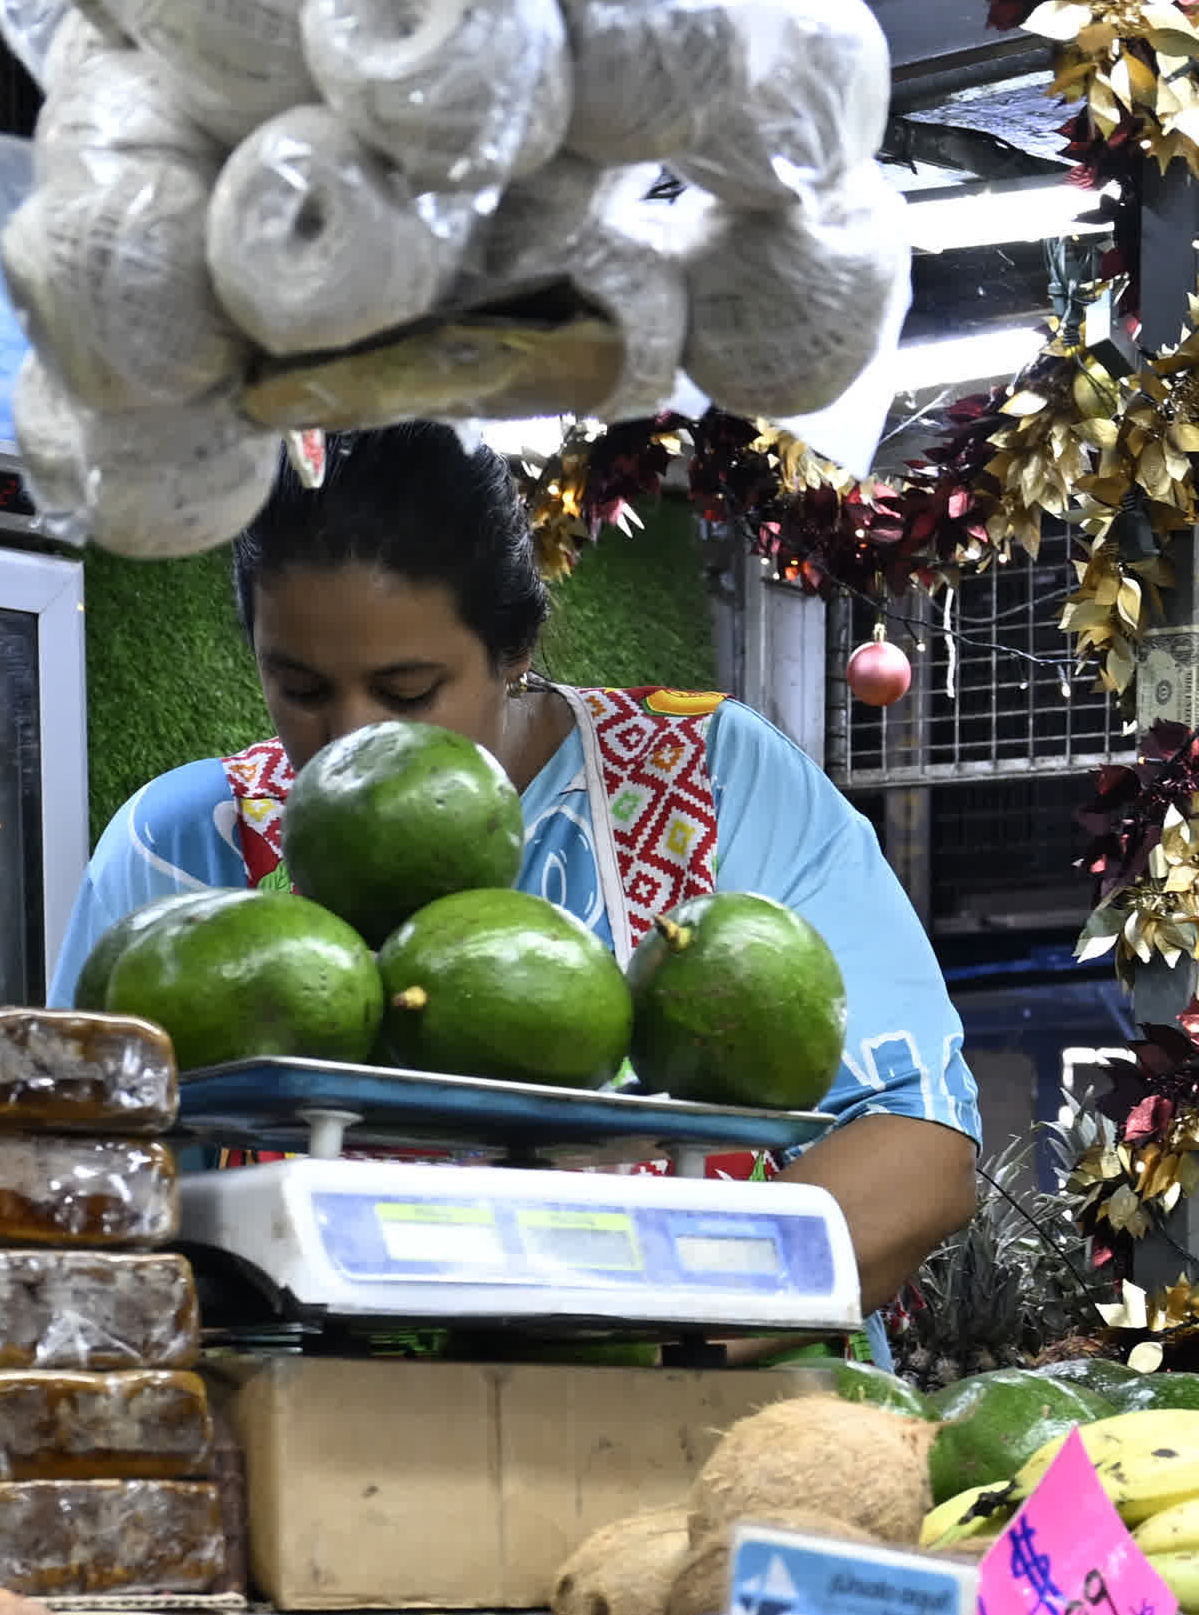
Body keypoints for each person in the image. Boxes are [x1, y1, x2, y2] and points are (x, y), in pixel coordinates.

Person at [49, 425, 980, 1308]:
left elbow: (916, 1144)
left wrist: (650, 1348)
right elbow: (74, 1167)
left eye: (408, 692)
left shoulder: (712, 777)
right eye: (299, 688)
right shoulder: (185, 844)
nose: (351, 741)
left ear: (514, 651)